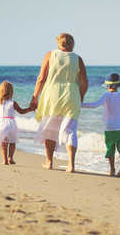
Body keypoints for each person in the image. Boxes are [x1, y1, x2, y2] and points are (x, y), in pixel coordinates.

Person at [30, 33, 88, 173]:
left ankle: (49, 162)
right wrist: (80, 96)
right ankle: (71, 165)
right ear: (72, 44)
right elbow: (84, 82)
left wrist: (35, 97)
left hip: (52, 96)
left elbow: (41, 78)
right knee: (70, 131)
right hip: (71, 96)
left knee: (50, 129)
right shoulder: (77, 59)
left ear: (58, 43)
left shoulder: (50, 55)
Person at [81, 73, 120, 177]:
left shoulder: (106, 96)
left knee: (110, 149)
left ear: (108, 86)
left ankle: (112, 169)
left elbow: (94, 105)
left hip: (109, 128)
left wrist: (80, 104)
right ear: (118, 85)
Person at [0, 81, 33, 165]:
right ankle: (10, 157)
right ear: (11, 92)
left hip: (1, 123)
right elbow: (21, 111)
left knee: (3, 143)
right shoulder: (13, 103)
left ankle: (5, 160)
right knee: (12, 142)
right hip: (11, 124)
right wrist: (30, 109)